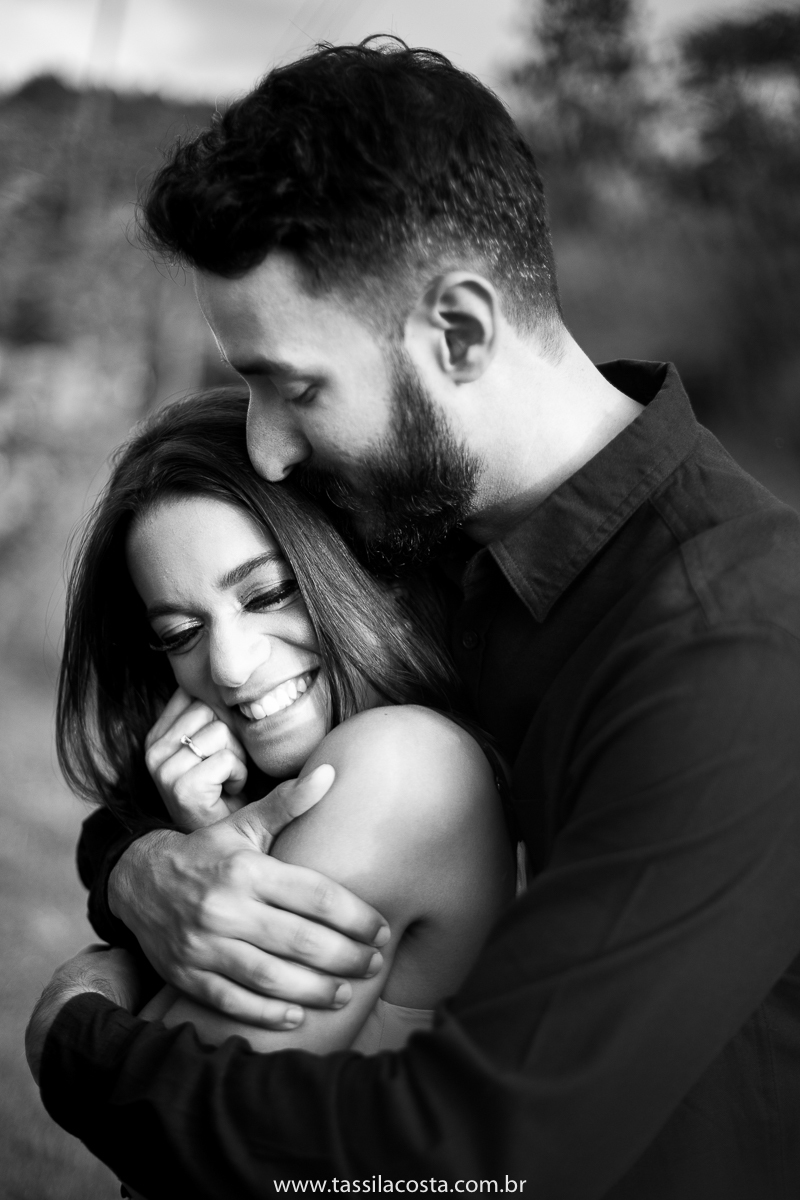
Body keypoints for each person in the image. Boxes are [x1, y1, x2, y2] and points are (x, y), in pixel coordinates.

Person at [27, 38, 800, 1200]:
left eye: (292, 387)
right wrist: (137, 864)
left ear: (458, 334)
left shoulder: (734, 645)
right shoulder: (410, 533)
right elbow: (246, 797)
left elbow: (478, 1158)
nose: (267, 450)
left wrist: (77, 1041)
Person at [51, 387, 515, 1062]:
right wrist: (190, 853)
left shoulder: (405, 765)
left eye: (268, 594)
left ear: (374, 567)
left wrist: (75, 1002)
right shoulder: (336, 780)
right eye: (181, 633)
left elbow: (171, 1127)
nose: (231, 667)